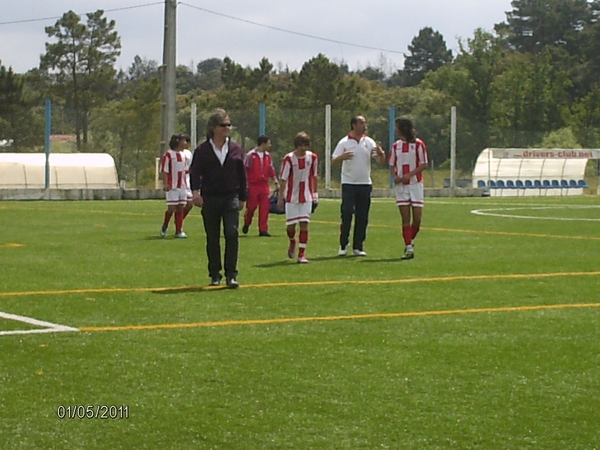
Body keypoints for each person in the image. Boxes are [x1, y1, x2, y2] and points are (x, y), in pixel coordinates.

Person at [189, 109, 247, 288]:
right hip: (210, 198)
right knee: (212, 237)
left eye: (229, 125)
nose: (227, 128)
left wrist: (243, 197)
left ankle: (232, 275)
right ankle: (215, 274)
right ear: (214, 127)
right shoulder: (202, 150)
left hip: (231, 197)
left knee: (232, 233)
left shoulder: (236, 149)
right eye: (223, 125)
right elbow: (195, 172)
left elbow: (242, 175)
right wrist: (195, 192)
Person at [332, 115, 386, 256]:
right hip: (349, 183)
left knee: (363, 216)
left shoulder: (369, 142)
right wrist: (341, 157)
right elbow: (333, 161)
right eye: (361, 123)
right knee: (347, 213)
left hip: (365, 184)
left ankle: (358, 246)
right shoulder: (344, 142)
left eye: (365, 123)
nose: (364, 125)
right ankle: (343, 244)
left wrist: (381, 154)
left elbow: (381, 160)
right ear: (354, 125)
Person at [389, 117, 429, 260]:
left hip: (415, 184)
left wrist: (409, 175)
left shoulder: (418, 144)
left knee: (417, 220)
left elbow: (424, 164)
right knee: (405, 218)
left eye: (397, 127)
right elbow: (392, 164)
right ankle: (409, 247)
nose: (396, 129)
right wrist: (395, 176)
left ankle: (409, 241)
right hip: (401, 187)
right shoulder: (396, 146)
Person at [278, 131, 318, 264]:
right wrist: (280, 197)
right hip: (292, 197)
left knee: (304, 224)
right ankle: (292, 241)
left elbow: (314, 176)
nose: (303, 148)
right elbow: (283, 179)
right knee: (291, 227)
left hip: (306, 196)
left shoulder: (313, 157)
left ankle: (301, 254)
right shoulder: (289, 158)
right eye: (301, 145)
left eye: (306, 145)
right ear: (296, 145)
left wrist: (315, 195)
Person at [242, 135, 279, 237]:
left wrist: (275, 181)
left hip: (264, 185)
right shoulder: (250, 155)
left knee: (264, 208)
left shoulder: (267, 156)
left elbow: (271, 169)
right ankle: (247, 222)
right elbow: (245, 169)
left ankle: (263, 229)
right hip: (253, 185)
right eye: (268, 143)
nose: (269, 145)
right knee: (251, 207)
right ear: (263, 143)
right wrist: (244, 184)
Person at [160, 133, 192, 239]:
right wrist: (165, 183)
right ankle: (165, 225)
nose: (185, 143)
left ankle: (179, 231)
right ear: (178, 142)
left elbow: (184, 170)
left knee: (181, 207)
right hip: (172, 186)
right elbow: (164, 170)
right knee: (172, 208)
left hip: (182, 185)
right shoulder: (168, 155)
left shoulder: (184, 155)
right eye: (183, 141)